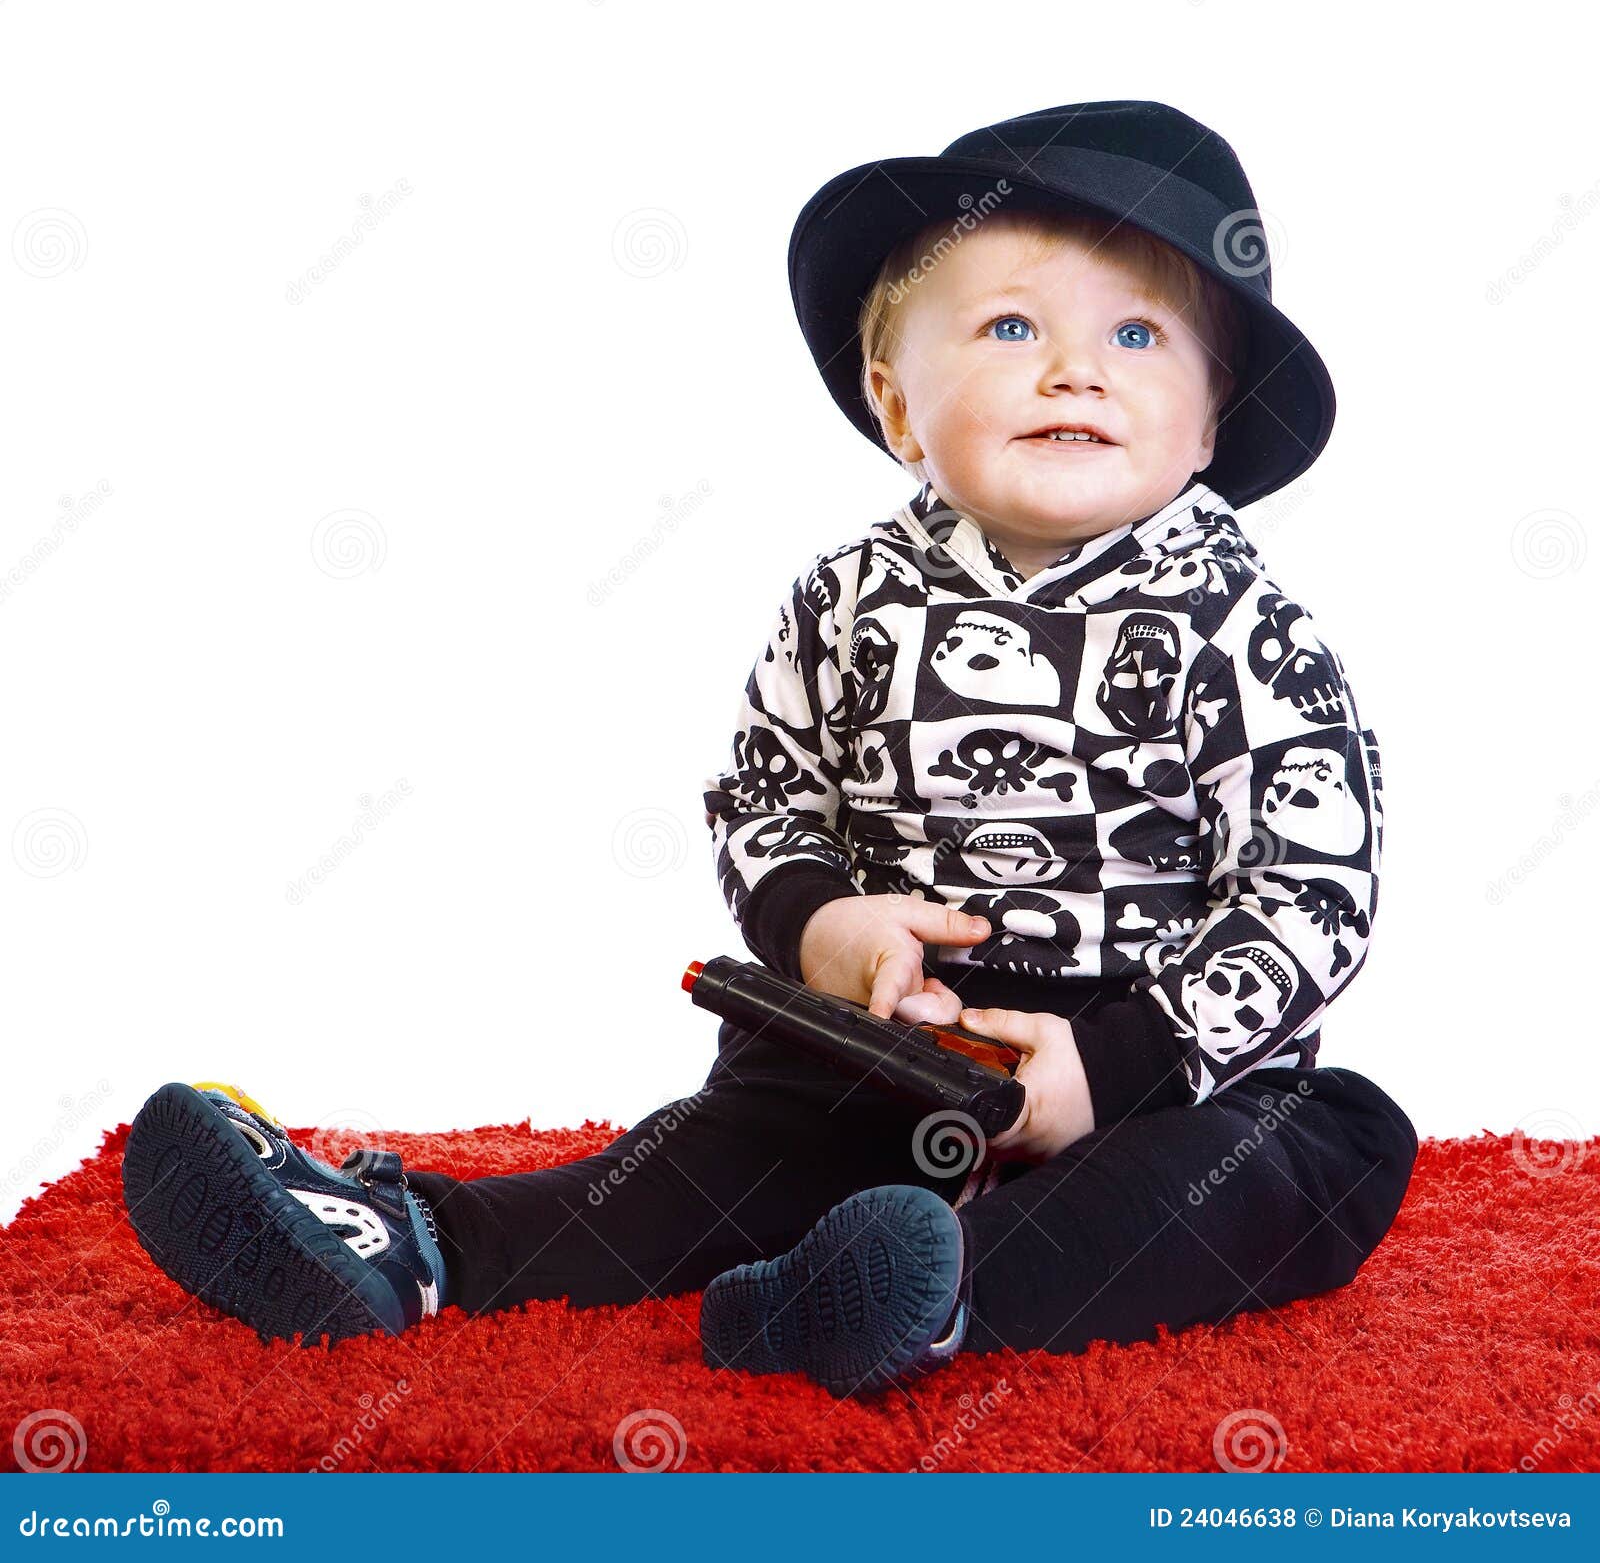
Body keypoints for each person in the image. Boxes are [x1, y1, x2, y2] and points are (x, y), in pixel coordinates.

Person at [122, 101, 1418, 1401]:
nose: (1074, 368)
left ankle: (930, 1289)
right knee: (721, 1148)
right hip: (897, 1043)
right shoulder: (850, 598)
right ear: (898, 404)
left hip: (1151, 1075)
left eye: (1137, 333)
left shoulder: (1246, 627)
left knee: (1333, 1139)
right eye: (1013, 325)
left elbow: (1313, 891)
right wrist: (824, 928)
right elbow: (766, 793)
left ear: (1206, 429)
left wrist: (1122, 1060)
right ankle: (418, 1244)